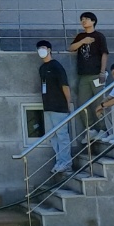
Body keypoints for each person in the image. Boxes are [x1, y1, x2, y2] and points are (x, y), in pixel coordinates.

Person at [67, 12, 109, 135]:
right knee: (82, 103)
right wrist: (83, 41)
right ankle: (90, 129)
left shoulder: (99, 36)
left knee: (99, 102)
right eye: (82, 19)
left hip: (97, 74)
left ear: (93, 21)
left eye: (86, 19)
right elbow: (71, 48)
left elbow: (104, 54)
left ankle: (103, 129)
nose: (83, 21)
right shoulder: (81, 36)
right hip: (83, 75)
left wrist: (102, 72)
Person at [37, 39, 73, 174]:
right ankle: (59, 161)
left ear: (49, 50)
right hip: (48, 106)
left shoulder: (57, 66)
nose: (41, 50)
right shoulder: (42, 68)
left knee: (62, 135)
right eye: (39, 48)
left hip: (59, 106)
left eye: (43, 48)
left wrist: (68, 103)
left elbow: (65, 85)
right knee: (52, 136)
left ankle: (66, 162)